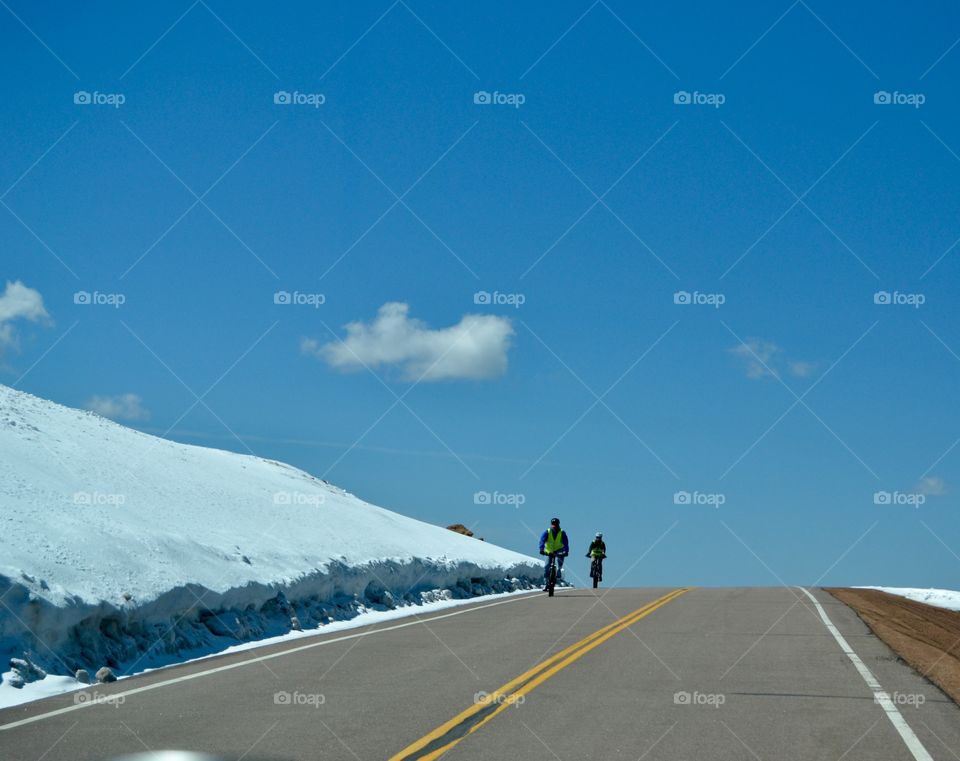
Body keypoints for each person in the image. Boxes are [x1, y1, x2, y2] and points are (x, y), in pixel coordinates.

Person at [539, 518, 569, 586]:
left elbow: (566, 543)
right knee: (547, 567)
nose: (554, 526)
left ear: (558, 525)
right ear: (551, 525)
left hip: (559, 550)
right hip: (549, 551)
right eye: (553, 525)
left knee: (560, 561)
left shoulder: (562, 532)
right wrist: (541, 549)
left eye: (556, 525)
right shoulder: (547, 532)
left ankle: (559, 569)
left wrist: (566, 551)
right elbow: (542, 541)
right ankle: (546, 583)